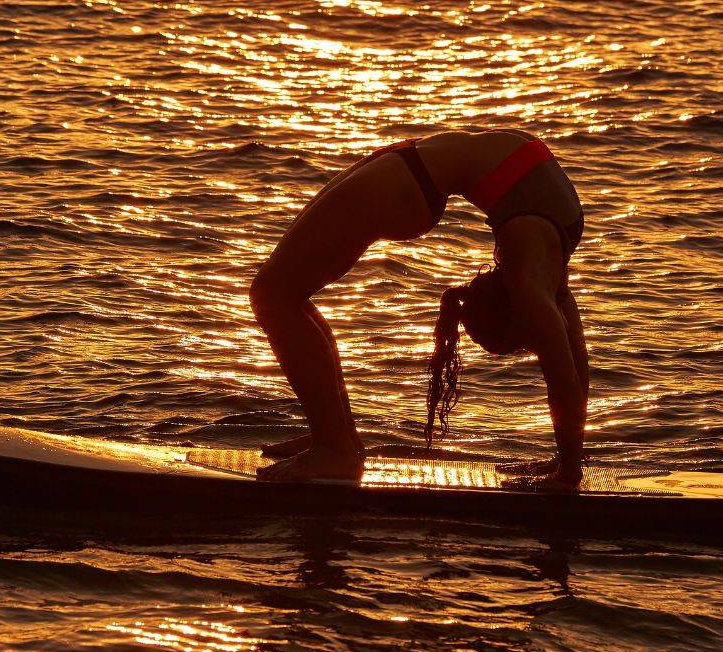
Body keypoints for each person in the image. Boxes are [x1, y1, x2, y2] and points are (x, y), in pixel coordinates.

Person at [249, 130, 588, 491]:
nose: (472, 285)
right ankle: (335, 437)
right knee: (283, 294)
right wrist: (567, 467)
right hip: (409, 168)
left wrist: (568, 467)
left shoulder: (532, 266)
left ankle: (334, 445)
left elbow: (566, 365)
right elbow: (570, 363)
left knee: (274, 295)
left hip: (408, 175)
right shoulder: (538, 277)